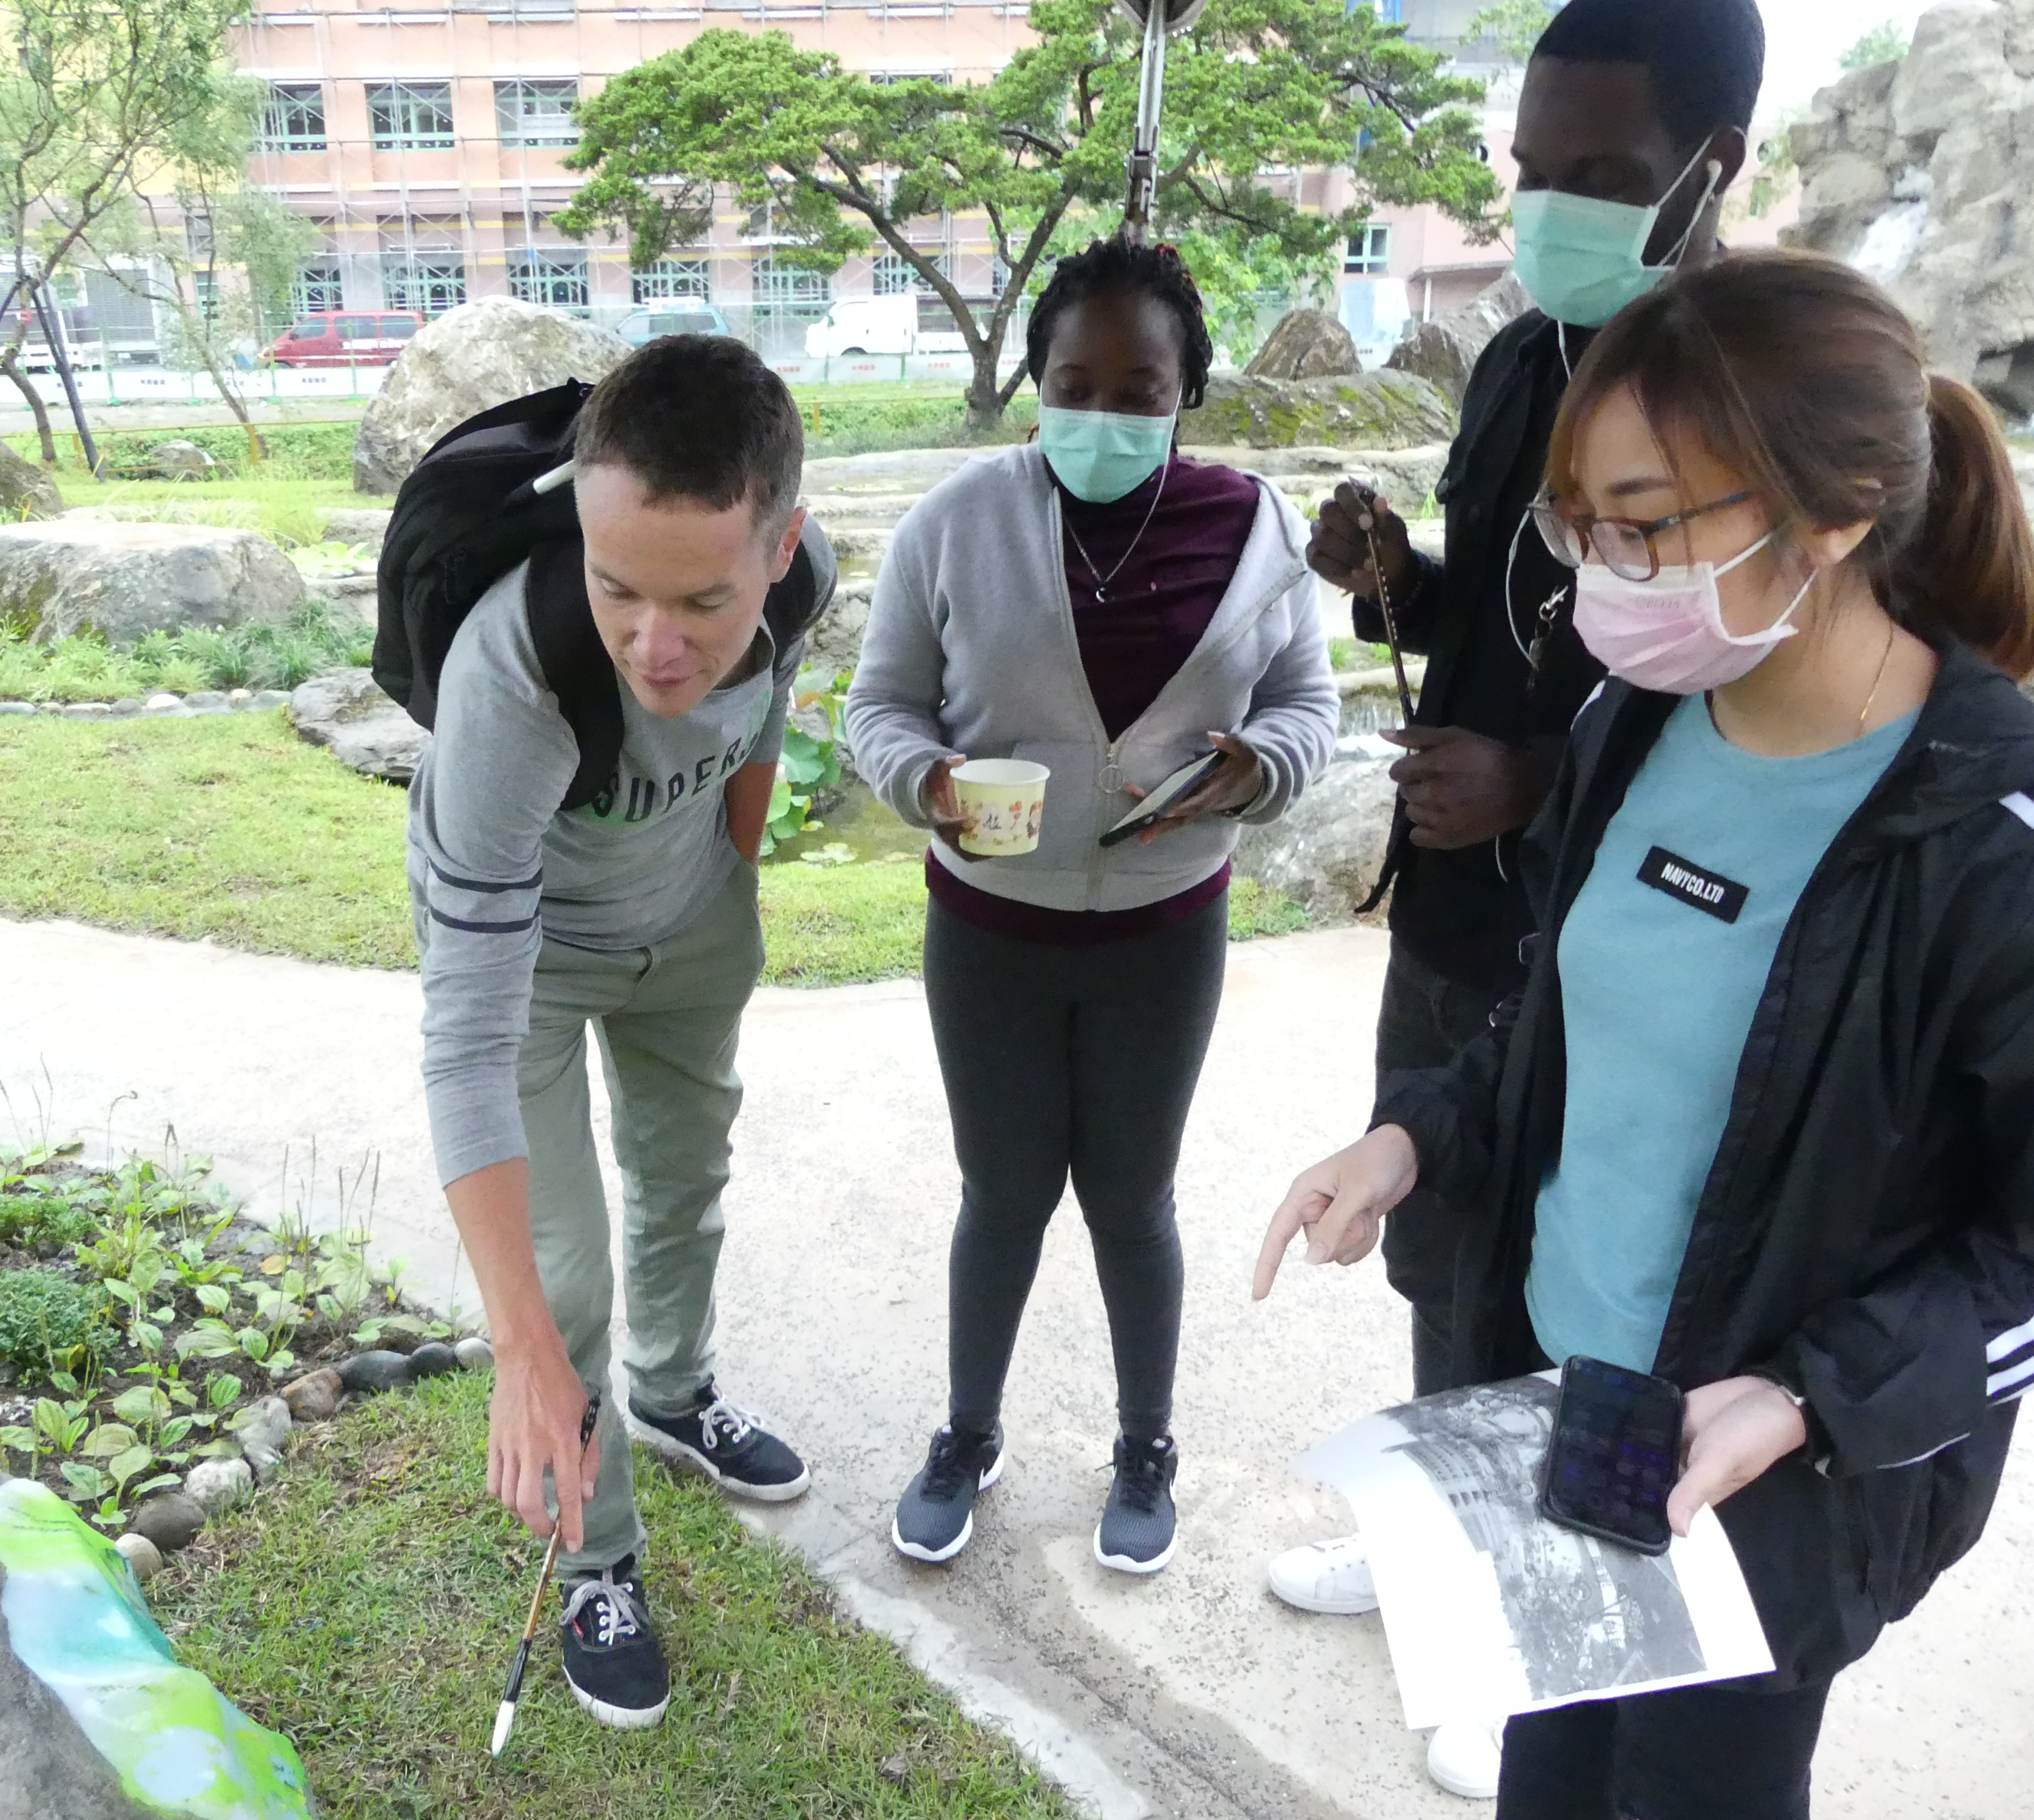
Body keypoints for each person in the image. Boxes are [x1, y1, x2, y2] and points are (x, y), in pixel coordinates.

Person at [1253, 248, 2034, 1820]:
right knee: (1552, 1773)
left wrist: (1809, 1394)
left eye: (1649, 525)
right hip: (1568, 1406)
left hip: (1766, 1472)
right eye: (1580, 523)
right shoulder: (1631, 726)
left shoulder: (1990, 833)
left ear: (1839, 507)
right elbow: (1559, 1027)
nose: (1601, 571)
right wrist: (1419, 1136)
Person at [1278, 0, 1766, 1793]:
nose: (1553, 207)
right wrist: (1390, 574)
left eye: (1601, 177)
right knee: (1443, 1230)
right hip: (1460, 909)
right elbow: (1493, 617)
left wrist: (1548, 780)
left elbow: (1766, 694)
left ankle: (1536, 1635)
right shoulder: (1517, 358)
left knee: (1591, 1287)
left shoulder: (1751, 392)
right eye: (1532, 170)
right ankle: (1444, 1545)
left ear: (1714, 168)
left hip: (1639, 941)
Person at [847, 237, 1337, 1574]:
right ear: (1031, 382)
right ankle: (964, 1434)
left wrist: (1262, 764)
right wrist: (926, 782)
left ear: (1188, 390)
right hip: (988, 931)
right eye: (1076, 381)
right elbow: (875, 704)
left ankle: (1144, 1446)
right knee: (1000, 1192)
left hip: (1163, 932)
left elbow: (1307, 700)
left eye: (1141, 386)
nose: (1105, 412)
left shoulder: (1254, 529)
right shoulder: (954, 521)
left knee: (1132, 1198)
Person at [409, 335, 825, 1730]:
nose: (655, 646)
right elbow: (462, 1039)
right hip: (530, 969)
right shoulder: (513, 677)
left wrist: (736, 876)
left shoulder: (800, 593)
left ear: (779, 551)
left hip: (693, 927)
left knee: (686, 1177)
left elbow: (758, 722)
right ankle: (596, 1558)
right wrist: (519, 1346)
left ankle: (676, 1391)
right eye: (616, 588)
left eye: (702, 601)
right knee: (563, 1278)